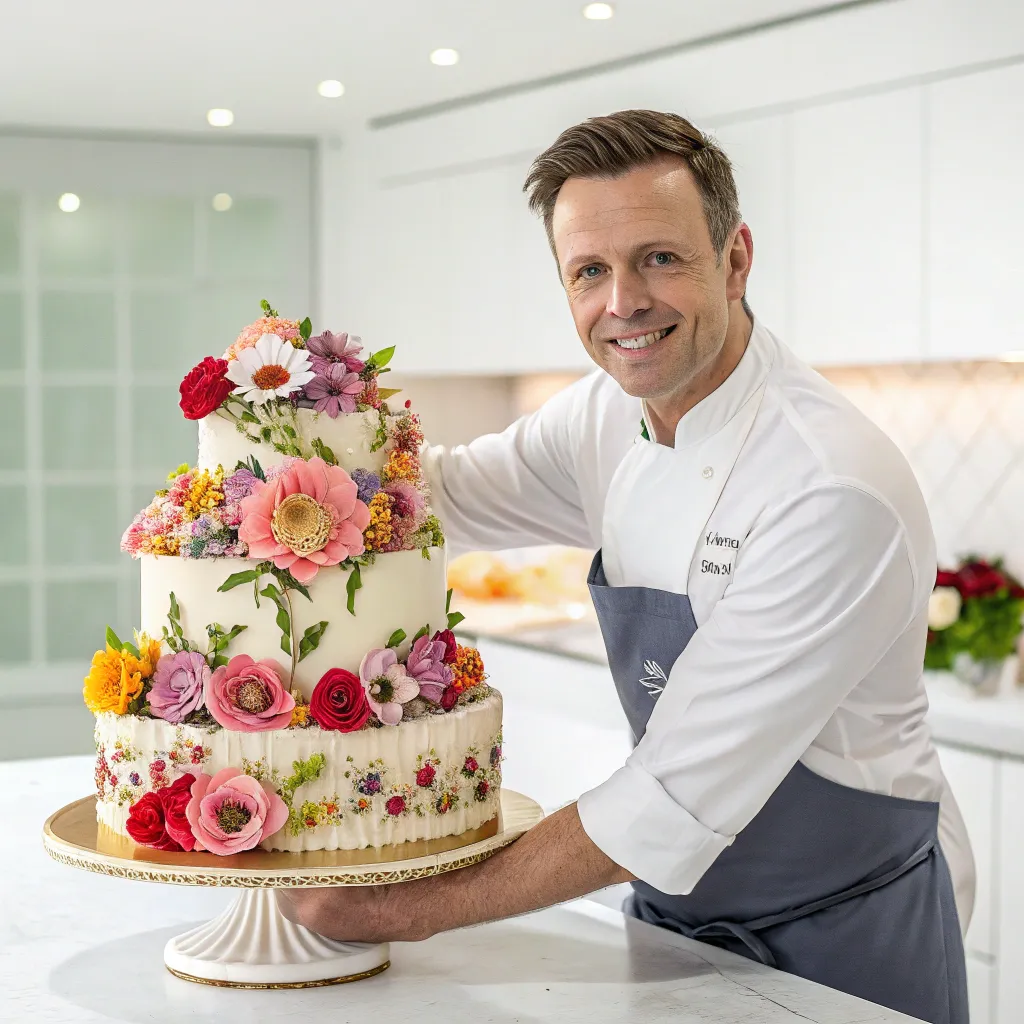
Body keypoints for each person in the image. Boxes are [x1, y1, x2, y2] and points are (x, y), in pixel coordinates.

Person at [279, 109, 971, 1023]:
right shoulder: (603, 417)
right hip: (678, 916)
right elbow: (440, 496)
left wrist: (403, 907)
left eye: (660, 258)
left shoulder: (829, 486)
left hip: (846, 931)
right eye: (589, 271)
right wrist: (264, 464)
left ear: (735, 257)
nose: (623, 303)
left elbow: (671, 796)